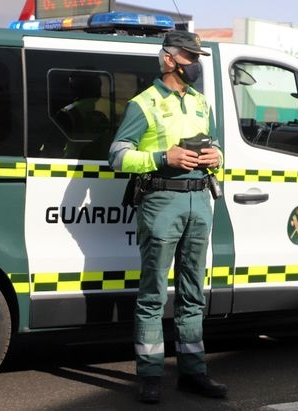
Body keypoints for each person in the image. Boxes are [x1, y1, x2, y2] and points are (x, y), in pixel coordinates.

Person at [108, 31, 226, 404]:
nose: (197, 64)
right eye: (191, 58)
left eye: (197, 57)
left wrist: (216, 157)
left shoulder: (200, 102)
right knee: (153, 294)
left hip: (198, 203)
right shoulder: (143, 104)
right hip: (161, 202)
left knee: (194, 293)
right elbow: (117, 156)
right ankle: (151, 375)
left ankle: (193, 372)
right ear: (170, 59)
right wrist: (163, 158)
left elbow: (216, 144)